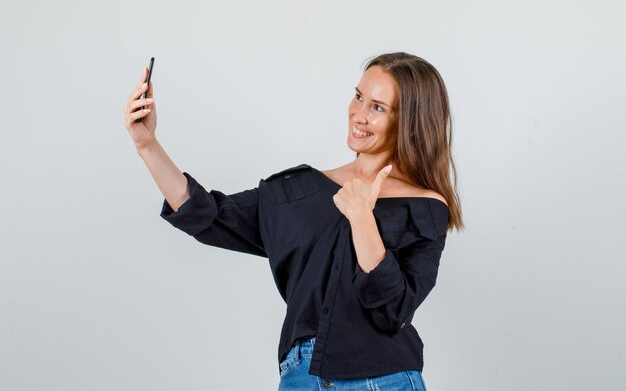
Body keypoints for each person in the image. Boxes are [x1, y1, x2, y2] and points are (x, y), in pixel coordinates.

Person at [123, 52, 463, 391]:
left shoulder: (424, 207)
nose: (358, 115)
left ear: (409, 121)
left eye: (377, 107)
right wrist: (147, 144)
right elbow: (207, 215)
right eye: (358, 97)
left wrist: (362, 219)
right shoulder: (299, 191)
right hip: (302, 378)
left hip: (383, 379)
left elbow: (393, 309)